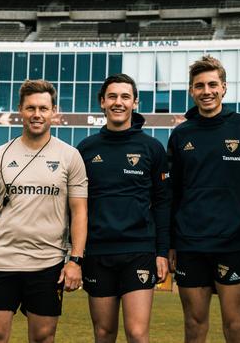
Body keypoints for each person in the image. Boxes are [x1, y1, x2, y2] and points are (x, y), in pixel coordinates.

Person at [0, 79, 87, 343]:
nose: (37, 114)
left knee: (43, 337)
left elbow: (80, 212)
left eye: (43, 108)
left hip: (48, 263)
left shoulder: (70, 156)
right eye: (31, 108)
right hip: (1, 261)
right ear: (20, 109)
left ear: (54, 111)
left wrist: (75, 260)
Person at [167, 55, 240, 343]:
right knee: (194, 327)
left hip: (233, 244)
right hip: (190, 244)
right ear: (191, 91)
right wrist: (172, 242)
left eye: (213, 84)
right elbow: (172, 194)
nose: (206, 91)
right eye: (199, 86)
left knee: (236, 328)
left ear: (224, 88)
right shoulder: (181, 134)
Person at [76, 73, 170, 343]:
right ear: (102, 102)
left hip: (139, 250)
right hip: (98, 252)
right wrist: (77, 255)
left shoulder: (152, 148)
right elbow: (77, 207)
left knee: (137, 334)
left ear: (135, 102)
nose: (119, 102)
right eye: (113, 96)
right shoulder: (85, 149)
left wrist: (161, 252)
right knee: (104, 333)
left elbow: (163, 203)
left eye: (125, 97)